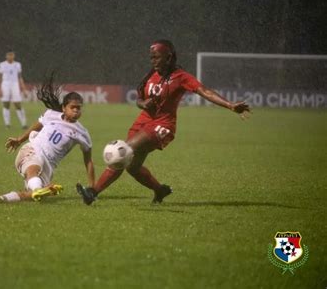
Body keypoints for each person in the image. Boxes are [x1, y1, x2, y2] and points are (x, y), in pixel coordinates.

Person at [77, 39, 251, 205]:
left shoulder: (181, 76)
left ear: (169, 57)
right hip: (143, 122)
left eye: (157, 57)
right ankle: (160, 190)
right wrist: (143, 103)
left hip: (163, 125)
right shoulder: (151, 75)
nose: (153, 61)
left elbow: (204, 91)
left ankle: (92, 193)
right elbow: (139, 99)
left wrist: (230, 105)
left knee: (123, 151)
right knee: (131, 166)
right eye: (151, 57)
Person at [0, 77, 95, 203]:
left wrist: (92, 188)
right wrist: (19, 140)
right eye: (72, 107)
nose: (76, 110)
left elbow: (88, 161)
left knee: (34, 195)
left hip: (49, 165)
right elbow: (38, 125)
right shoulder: (51, 114)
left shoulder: (82, 133)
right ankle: (38, 188)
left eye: (78, 108)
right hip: (33, 149)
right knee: (34, 170)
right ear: (63, 108)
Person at [0, 51, 28, 129]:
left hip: (15, 84)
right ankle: (7, 124)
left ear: (14, 56)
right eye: (9, 55)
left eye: (12, 55)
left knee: (17, 104)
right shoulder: (2, 64)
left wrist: (24, 89)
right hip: (5, 84)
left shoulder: (17, 65)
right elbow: (0, 77)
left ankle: (24, 124)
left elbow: (20, 77)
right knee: (6, 104)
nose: (10, 56)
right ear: (6, 56)